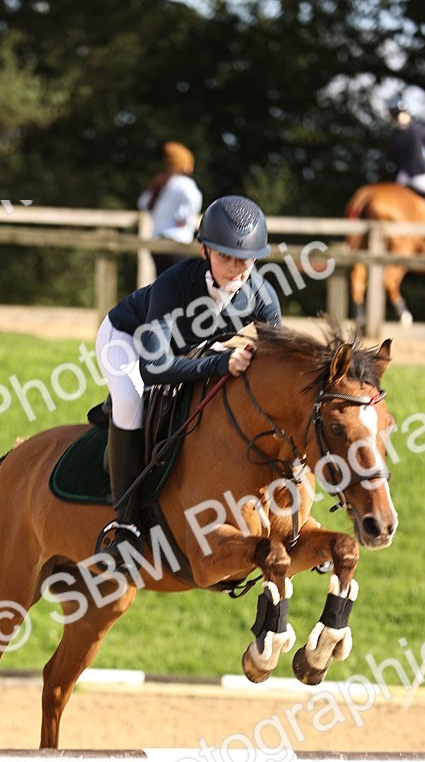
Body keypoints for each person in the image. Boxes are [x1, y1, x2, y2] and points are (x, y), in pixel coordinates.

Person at [95, 193, 281, 567]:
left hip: (189, 349)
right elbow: (153, 368)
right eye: (224, 256)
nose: (234, 267)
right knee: (131, 401)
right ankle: (124, 523)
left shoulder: (261, 296)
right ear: (204, 251)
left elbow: (275, 368)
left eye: (243, 259)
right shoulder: (172, 285)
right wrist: (221, 364)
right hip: (127, 340)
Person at [138, 142, 203, 276]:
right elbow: (194, 199)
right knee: (178, 287)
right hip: (176, 243)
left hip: (157, 242)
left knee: (162, 284)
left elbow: (143, 203)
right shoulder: (184, 183)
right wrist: (182, 216)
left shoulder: (161, 182)